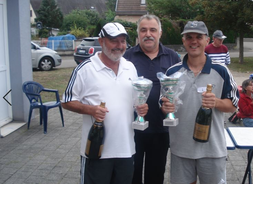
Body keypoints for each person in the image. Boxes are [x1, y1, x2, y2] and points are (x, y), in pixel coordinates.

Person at [62, 22, 148, 184]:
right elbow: (66, 101)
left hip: (126, 149)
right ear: (101, 42)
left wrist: (141, 108)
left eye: (122, 41)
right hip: (97, 150)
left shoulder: (130, 67)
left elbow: (135, 100)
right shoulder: (85, 69)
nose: (119, 45)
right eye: (114, 41)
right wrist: (90, 109)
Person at [161, 21, 239, 184]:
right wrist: (166, 107)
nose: (193, 41)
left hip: (212, 150)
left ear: (207, 40)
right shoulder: (172, 72)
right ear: (183, 41)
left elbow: (233, 105)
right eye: (189, 37)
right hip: (180, 149)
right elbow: (163, 105)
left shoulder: (221, 71)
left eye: (198, 37)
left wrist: (216, 102)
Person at [123, 15, 181, 184]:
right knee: (131, 177)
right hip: (132, 130)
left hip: (161, 130)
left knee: (155, 178)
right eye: (143, 30)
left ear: (160, 33)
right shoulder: (126, 58)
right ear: (138, 33)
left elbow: (178, 91)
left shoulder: (172, 58)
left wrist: (173, 104)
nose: (148, 34)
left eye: (153, 30)